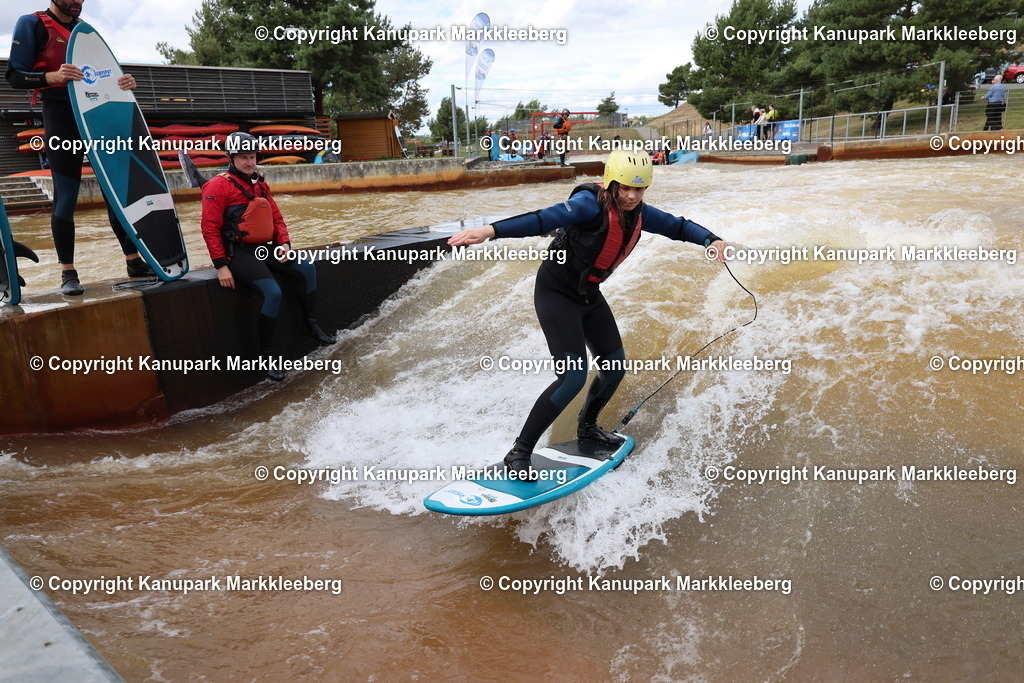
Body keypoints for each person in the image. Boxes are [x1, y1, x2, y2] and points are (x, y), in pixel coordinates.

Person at [447, 150, 729, 477]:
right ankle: (519, 452)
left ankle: (587, 428)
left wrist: (711, 239)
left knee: (614, 367)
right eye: (624, 187)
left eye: (639, 189)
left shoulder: (640, 213)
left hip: (587, 295)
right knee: (572, 376)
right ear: (610, 183)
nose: (631, 195)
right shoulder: (588, 205)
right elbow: (543, 218)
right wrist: (490, 231)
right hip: (556, 292)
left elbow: (677, 227)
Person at [6, 0, 156, 296]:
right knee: (66, 197)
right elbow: (14, 75)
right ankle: (68, 273)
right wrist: (52, 77)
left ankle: (134, 262)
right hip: (61, 116)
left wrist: (123, 82)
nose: (79, 1)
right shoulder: (32, 24)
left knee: (116, 192)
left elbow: (104, 77)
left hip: (97, 116)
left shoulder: (87, 33)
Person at [200, 132, 334, 382]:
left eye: (252, 157)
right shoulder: (217, 186)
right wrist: (220, 265)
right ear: (231, 158)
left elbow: (277, 218)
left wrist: (284, 243)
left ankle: (310, 323)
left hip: (264, 248)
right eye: (243, 159)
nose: (249, 163)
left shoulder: (260, 183)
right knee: (273, 293)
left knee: (307, 267)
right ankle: (266, 354)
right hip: (237, 252)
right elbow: (209, 228)